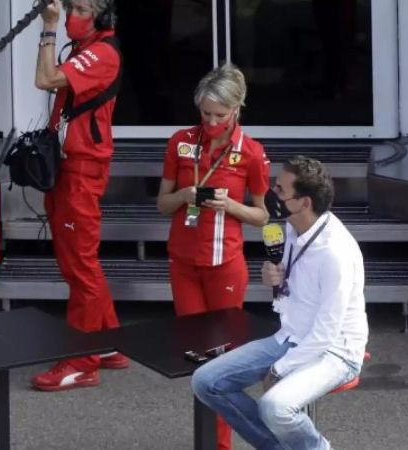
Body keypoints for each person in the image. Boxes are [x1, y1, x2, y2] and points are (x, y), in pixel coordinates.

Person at [191, 157, 368, 450]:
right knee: (205, 381)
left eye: (280, 190)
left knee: (275, 406)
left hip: (335, 351)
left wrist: (280, 369)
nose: (272, 193)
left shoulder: (335, 252)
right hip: (290, 336)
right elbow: (287, 281)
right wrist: (273, 275)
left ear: (304, 202)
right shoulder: (291, 228)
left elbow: (326, 333)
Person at [156, 63, 271, 450]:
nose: (211, 122)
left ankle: (221, 445)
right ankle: (206, 440)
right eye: (205, 113)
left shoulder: (251, 153)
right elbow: (161, 204)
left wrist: (230, 206)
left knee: (222, 361)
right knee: (195, 356)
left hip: (225, 264)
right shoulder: (181, 141)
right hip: (184, 262)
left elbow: (263, 215)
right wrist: (185, 197)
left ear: (237, 109)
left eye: (220, 115)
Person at [30, 0, 129, 392]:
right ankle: (107, 344)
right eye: (71, 6)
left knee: (81, 265)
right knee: (77, 261)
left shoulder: (102, 52)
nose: (73, 13)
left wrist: (49, 28)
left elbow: (46, 79)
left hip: (83, 171)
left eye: (83, 7)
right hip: (70, 168)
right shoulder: (86, 49)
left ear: (103, 16)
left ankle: (82, 362)